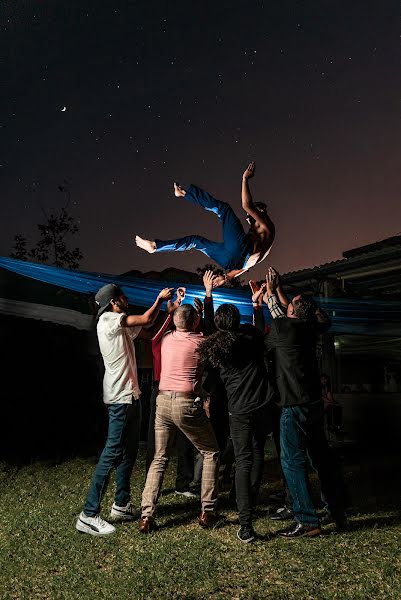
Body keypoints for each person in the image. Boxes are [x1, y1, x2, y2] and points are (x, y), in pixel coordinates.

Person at [76, 283, 173, 536]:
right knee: (111, 454)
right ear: (113, 302)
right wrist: (160, 298)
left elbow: (150, 332)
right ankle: (88, 514)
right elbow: (147, 317)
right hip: (119, 398)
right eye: (122, 297)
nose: (127, 299)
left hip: (132, 395)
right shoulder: (108, 320)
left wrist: (170, 313)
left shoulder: (121, 325)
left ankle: (121, 504)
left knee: (129, 453)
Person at [264, 269, 347, 538]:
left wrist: (266, 295)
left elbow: (273, 325)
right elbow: (292, 310)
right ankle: (335, 509)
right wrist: (277, 291)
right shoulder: (311, 326)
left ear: (293, 311)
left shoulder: (282, 328)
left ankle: (307, 519)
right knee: (321, 457)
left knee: (291, 460)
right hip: (312, 402)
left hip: (295, 404)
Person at [139, 304, 220, 533]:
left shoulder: (165, 339)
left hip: (162, 402)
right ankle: (207, 510)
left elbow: (173, 326)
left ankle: (146, 515)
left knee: (160, 458)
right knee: (210, 452)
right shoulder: (201, 342)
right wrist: (203, 313)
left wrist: (175, 312)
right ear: (194, 322)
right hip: (186, 403)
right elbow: (213, 338)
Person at [198, 303, 273, 543]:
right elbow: (259, 329)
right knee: (258, 451)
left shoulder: (217, 349)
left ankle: (246, 525)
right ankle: (249, 500)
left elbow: (211, 332)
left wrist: (207, 304)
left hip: (239, 410)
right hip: (262, 405)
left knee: (243, 461)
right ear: (238, 321)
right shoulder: (250, 338)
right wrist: (257, 306)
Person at [135, 161, 275, 282]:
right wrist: (226, 278)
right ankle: (155, 246)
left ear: (261, 212)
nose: (247, 218)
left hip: (239, 251)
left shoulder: (267, 226)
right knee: (195, 241)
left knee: (224, 209)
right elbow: (246, 267)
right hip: (230, 262)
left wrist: (245, 179)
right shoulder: (263, 245)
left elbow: (246, 205)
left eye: (250, 217)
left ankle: (184, 193)